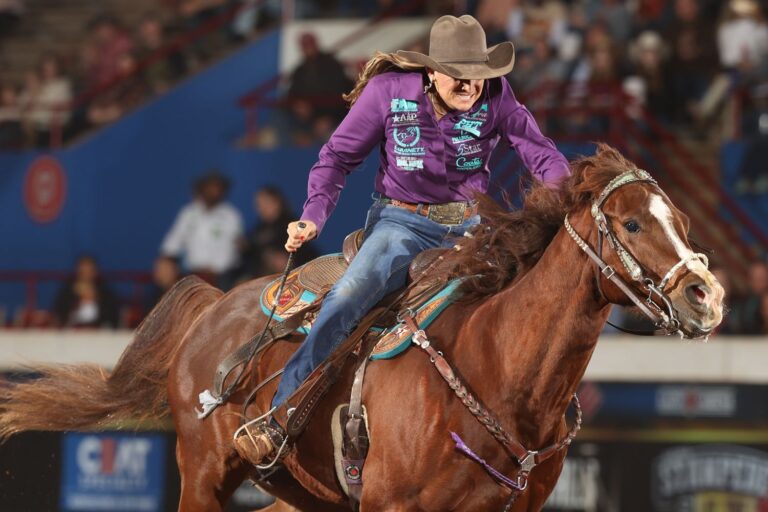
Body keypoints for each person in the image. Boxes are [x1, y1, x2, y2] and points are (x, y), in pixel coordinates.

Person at [234, 15, 571, 465]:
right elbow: (335, 159)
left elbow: (540, 153)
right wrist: (313, 216)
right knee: (347, 296)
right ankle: (279, 416)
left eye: (478, 76)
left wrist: (566, 194)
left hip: (474, 227)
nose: (471, 86)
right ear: (430, 72)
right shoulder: (389, 93)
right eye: (459, 76)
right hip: (401, 224)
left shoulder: (496, 96)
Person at [160, 171, 243, 288]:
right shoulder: (189, 213)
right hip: (193, 274)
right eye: (210, 187)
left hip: (221, 276)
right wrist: (166, 259)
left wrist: (212, 271)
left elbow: (230, 251)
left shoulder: (231, 216)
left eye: (217, 188)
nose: (213, 191)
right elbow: (174, 240)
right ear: (202, 188)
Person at [240, 186, 316, 279]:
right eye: (259, 204)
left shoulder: (293, 224)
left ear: (277, 202)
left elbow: (305, 253)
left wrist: (284, 259)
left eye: (266, 203)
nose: (262, 208)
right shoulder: (259, 228)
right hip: (263, 276)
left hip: (296, 275)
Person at [53, 255, 119, 329]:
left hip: (98, 331)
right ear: (77, 271)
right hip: (72, 332)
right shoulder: (67, 292)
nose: (86, 274)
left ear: (95, 272)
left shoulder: (105, 292)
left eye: (89, 270)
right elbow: (59, 313)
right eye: (83, 271)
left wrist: (96, 298)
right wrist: (76, 298)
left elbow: (112, 315)